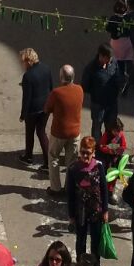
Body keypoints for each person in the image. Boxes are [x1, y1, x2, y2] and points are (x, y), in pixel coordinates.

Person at [66, 136, 110, 266]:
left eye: (88, 153)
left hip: (96, 210)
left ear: (93, 153)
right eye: (83, 152)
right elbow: (70, 194)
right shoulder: (73, 168)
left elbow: (104, 189)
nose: (85, 155)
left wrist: (105, 210)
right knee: (81, 240)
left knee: (96, 241)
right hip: (81, 212)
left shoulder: (99, 166)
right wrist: (71, 215)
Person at [45, 65, 84, 196]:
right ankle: (70, 187)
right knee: (72, 161)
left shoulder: (57, 93)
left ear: (61, 78)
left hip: (59, 132)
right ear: (73, 77)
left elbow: (47, 108)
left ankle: (55, 188)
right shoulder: (79, 90)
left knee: (53, 157)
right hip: (74, 132)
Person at [20, 48, 53, 166]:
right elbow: (51, 88)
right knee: (41, 132)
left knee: (30, 133)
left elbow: (27, 98)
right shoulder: (46, 68)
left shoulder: (28, 76)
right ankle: (48, 161)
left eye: (23, 61)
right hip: (45, 107)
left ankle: (28, 156)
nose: (22, 64)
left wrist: (23, 115)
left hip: (32, 110)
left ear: (28, 61)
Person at [81, 46, 121, 143]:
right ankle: (97, 149)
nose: (110, 61)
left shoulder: (113, 63)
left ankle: (109, 149)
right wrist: (97, 91)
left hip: (112, 104)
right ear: (101, 56)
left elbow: (118, 76)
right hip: (98, 105)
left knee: (111, 128)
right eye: (108, 58)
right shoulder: (91, 68)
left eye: (111, 58)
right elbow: (85, 86)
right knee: (96, 128)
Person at [106, 0, 134, 91]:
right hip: (126, 43)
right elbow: (132, 30)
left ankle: (121, 82)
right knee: (128, 61)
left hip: (115, 44)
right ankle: (131, 79)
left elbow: (108, 29)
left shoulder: (112, 19)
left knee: (119, 63)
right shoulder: (128, 19)